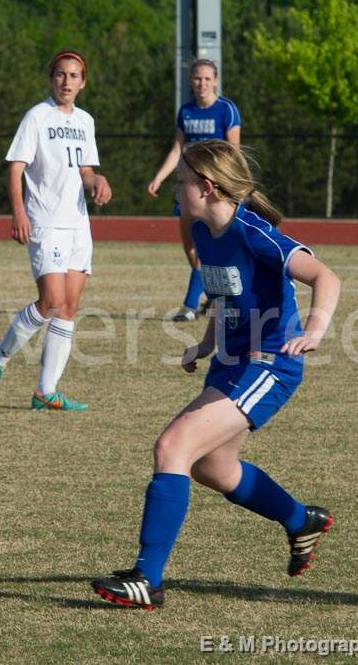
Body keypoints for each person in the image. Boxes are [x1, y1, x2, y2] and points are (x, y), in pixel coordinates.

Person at [91, 139, 341, 609]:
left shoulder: (252, 231)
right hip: (230, 361)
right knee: (213, 467)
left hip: (270, 362)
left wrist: (315, 329)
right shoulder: (204, 232)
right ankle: (299, 519)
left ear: (206, 187)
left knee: (173, 446)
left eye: (181, 181)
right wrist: (206, 344)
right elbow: (225, 295)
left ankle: (148, 578)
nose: (176, 190)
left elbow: (326, 277)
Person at [0, 50, 112, 411]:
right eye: (61, 75)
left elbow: (85, 171)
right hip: (45, 221)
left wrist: (97, 180)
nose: (67, 82)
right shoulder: (36, 117)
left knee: (68, 307)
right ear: (51, 78)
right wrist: (18, 212)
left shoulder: (85, 120)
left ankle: (45, 391)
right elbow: (15, 169)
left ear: (83, 82)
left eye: (74, 76)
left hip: (78, 225)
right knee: (50, 302)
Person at [148, 58, 242, 322]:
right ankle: (213, 297)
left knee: (203, 247)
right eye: (197, 78)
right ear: (191, 81)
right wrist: (159, 177)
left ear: (216, 81)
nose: (202, 83)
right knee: (190, 247)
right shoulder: (186, 111)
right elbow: (178, 148)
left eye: (207, 79)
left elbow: (233, 152)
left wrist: (232, 186)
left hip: (213, 192)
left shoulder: (227, 110)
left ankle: (189, 306)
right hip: (188, 190)